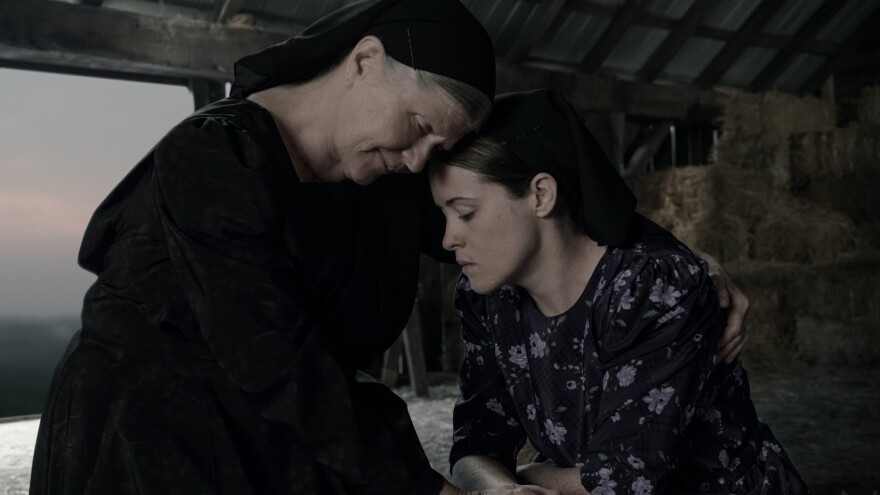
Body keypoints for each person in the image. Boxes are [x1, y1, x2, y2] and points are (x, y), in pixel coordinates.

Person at [28, 1, 549, 494]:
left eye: (437, 148)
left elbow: (502, 230)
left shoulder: (383, 175)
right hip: (148, 435)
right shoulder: (214, 156)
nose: (418, 161)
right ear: (366, 61)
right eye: (418, 126)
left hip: (286, 424)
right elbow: (273, 358)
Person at [428, 89, 809, 494]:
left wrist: (530, 476)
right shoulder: (488, 297)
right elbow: (474, 448)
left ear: (541, 194)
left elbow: (627, 481)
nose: (449, 238)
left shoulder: (652, 289)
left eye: (466, 212)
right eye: (443, 214)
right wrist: (502, 490)